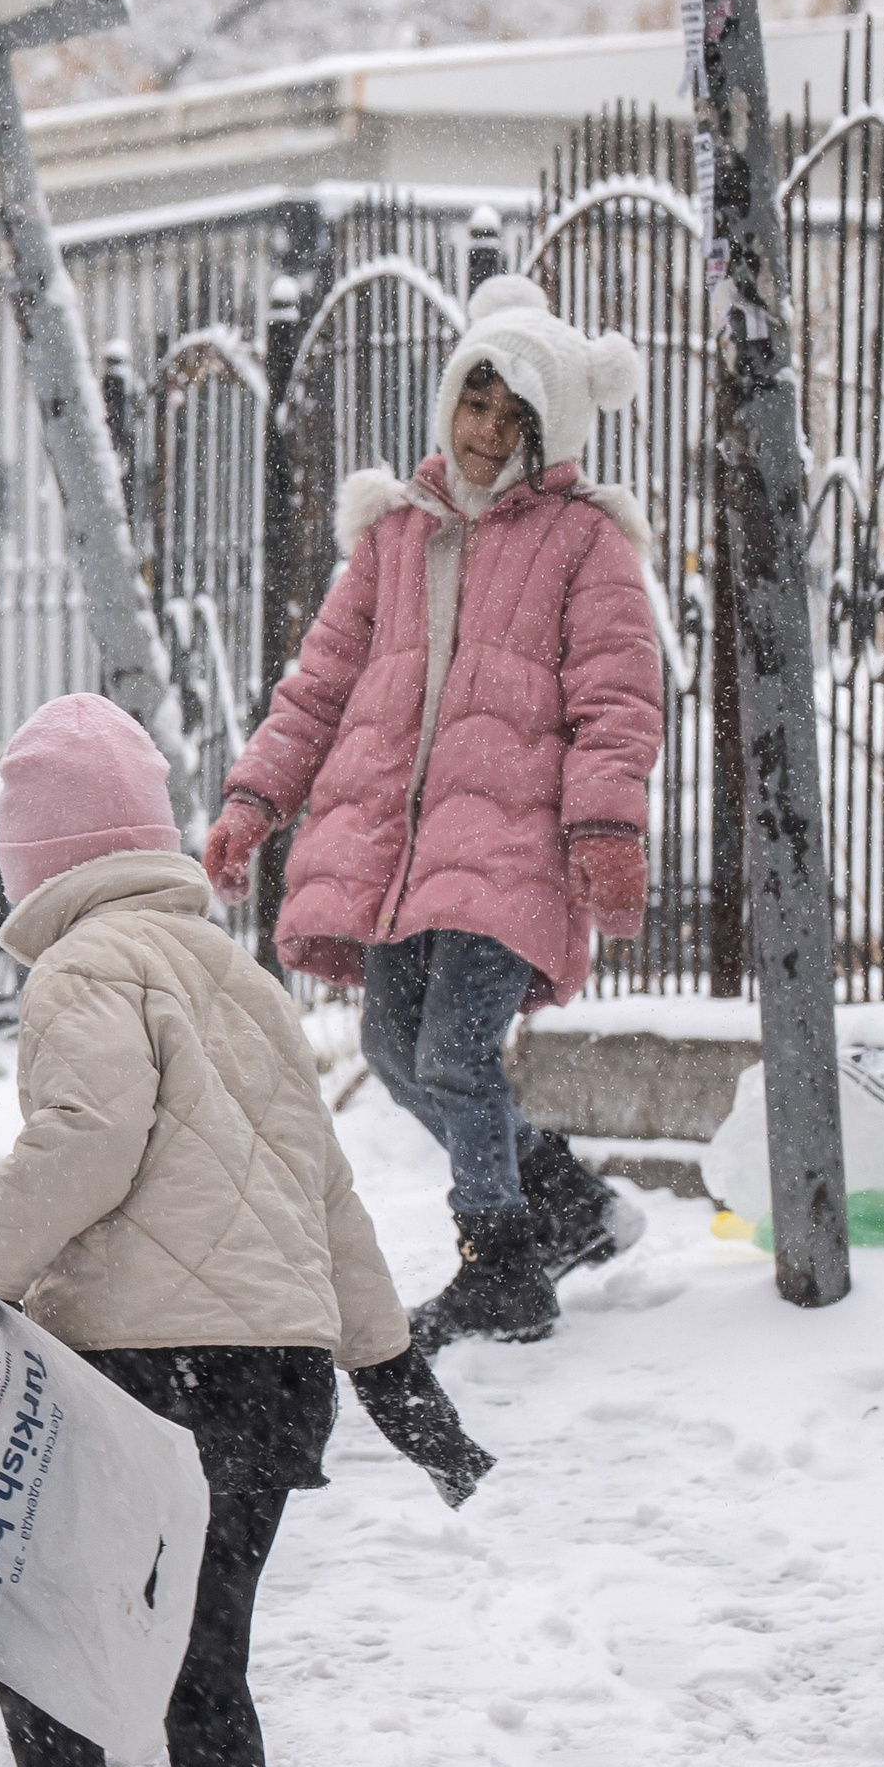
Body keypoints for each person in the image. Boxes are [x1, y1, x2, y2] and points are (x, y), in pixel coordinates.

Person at [0, 693, 491, 1767]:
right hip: (273, 1381)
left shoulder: (80, 969)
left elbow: (89, 1134)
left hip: (143, 1379)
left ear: (30, 862)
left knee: (42, 1626)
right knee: (204, 1663)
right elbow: (329, 1196)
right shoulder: (245, 987)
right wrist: (390, 1375)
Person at [203, 274, 666, 1351]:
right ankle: (566, 1203)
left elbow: (616, 699)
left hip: (514, 848)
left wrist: (606, 826)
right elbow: (318, 686)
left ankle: (500, 1268)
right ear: (449, 395)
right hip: (400, 855)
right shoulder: (395, 537)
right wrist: (254, 798)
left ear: (552, 431)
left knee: (456, 1053)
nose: (486, 431)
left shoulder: (584, 543)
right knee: (395, 1049)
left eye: (515, 418)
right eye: (476, 400)